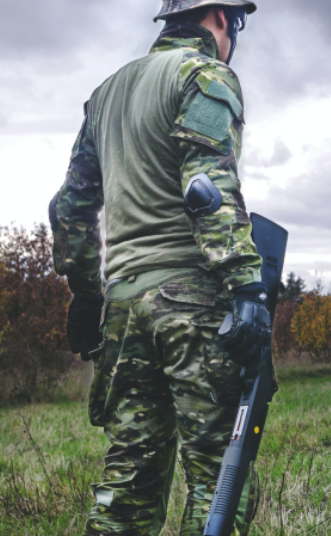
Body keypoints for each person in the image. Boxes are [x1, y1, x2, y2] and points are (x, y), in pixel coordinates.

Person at [48, 1, 272, 534]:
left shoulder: (105, 94)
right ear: (221, 18)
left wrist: (87, 295)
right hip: (192, 303)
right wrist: (246, 285)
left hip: (123, 308)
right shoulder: (204, 74)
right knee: (221, 475)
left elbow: (71, 209)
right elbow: (208, 185)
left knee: (130, 480)